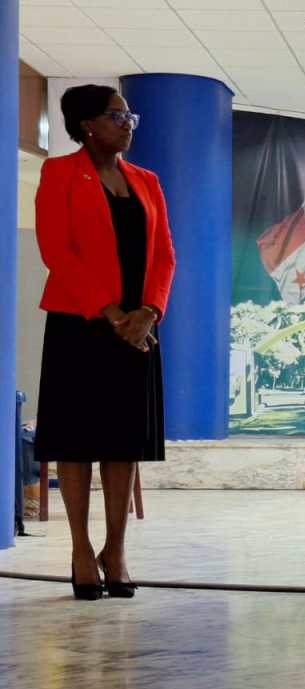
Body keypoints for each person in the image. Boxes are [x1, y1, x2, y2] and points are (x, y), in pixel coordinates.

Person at [34, 84, 176, 600]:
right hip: (79, 324)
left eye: (129, 115)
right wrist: (112, 313)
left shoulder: (147, 180)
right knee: (75, 443)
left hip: (138, 329)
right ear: (87, 125)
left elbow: (165, 254)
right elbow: (57, 250)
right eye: (117, 116)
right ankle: (80, 550)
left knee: (123, 442)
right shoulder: (59, 173)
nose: (128, 123)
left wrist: (149, 312)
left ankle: (115, 553)